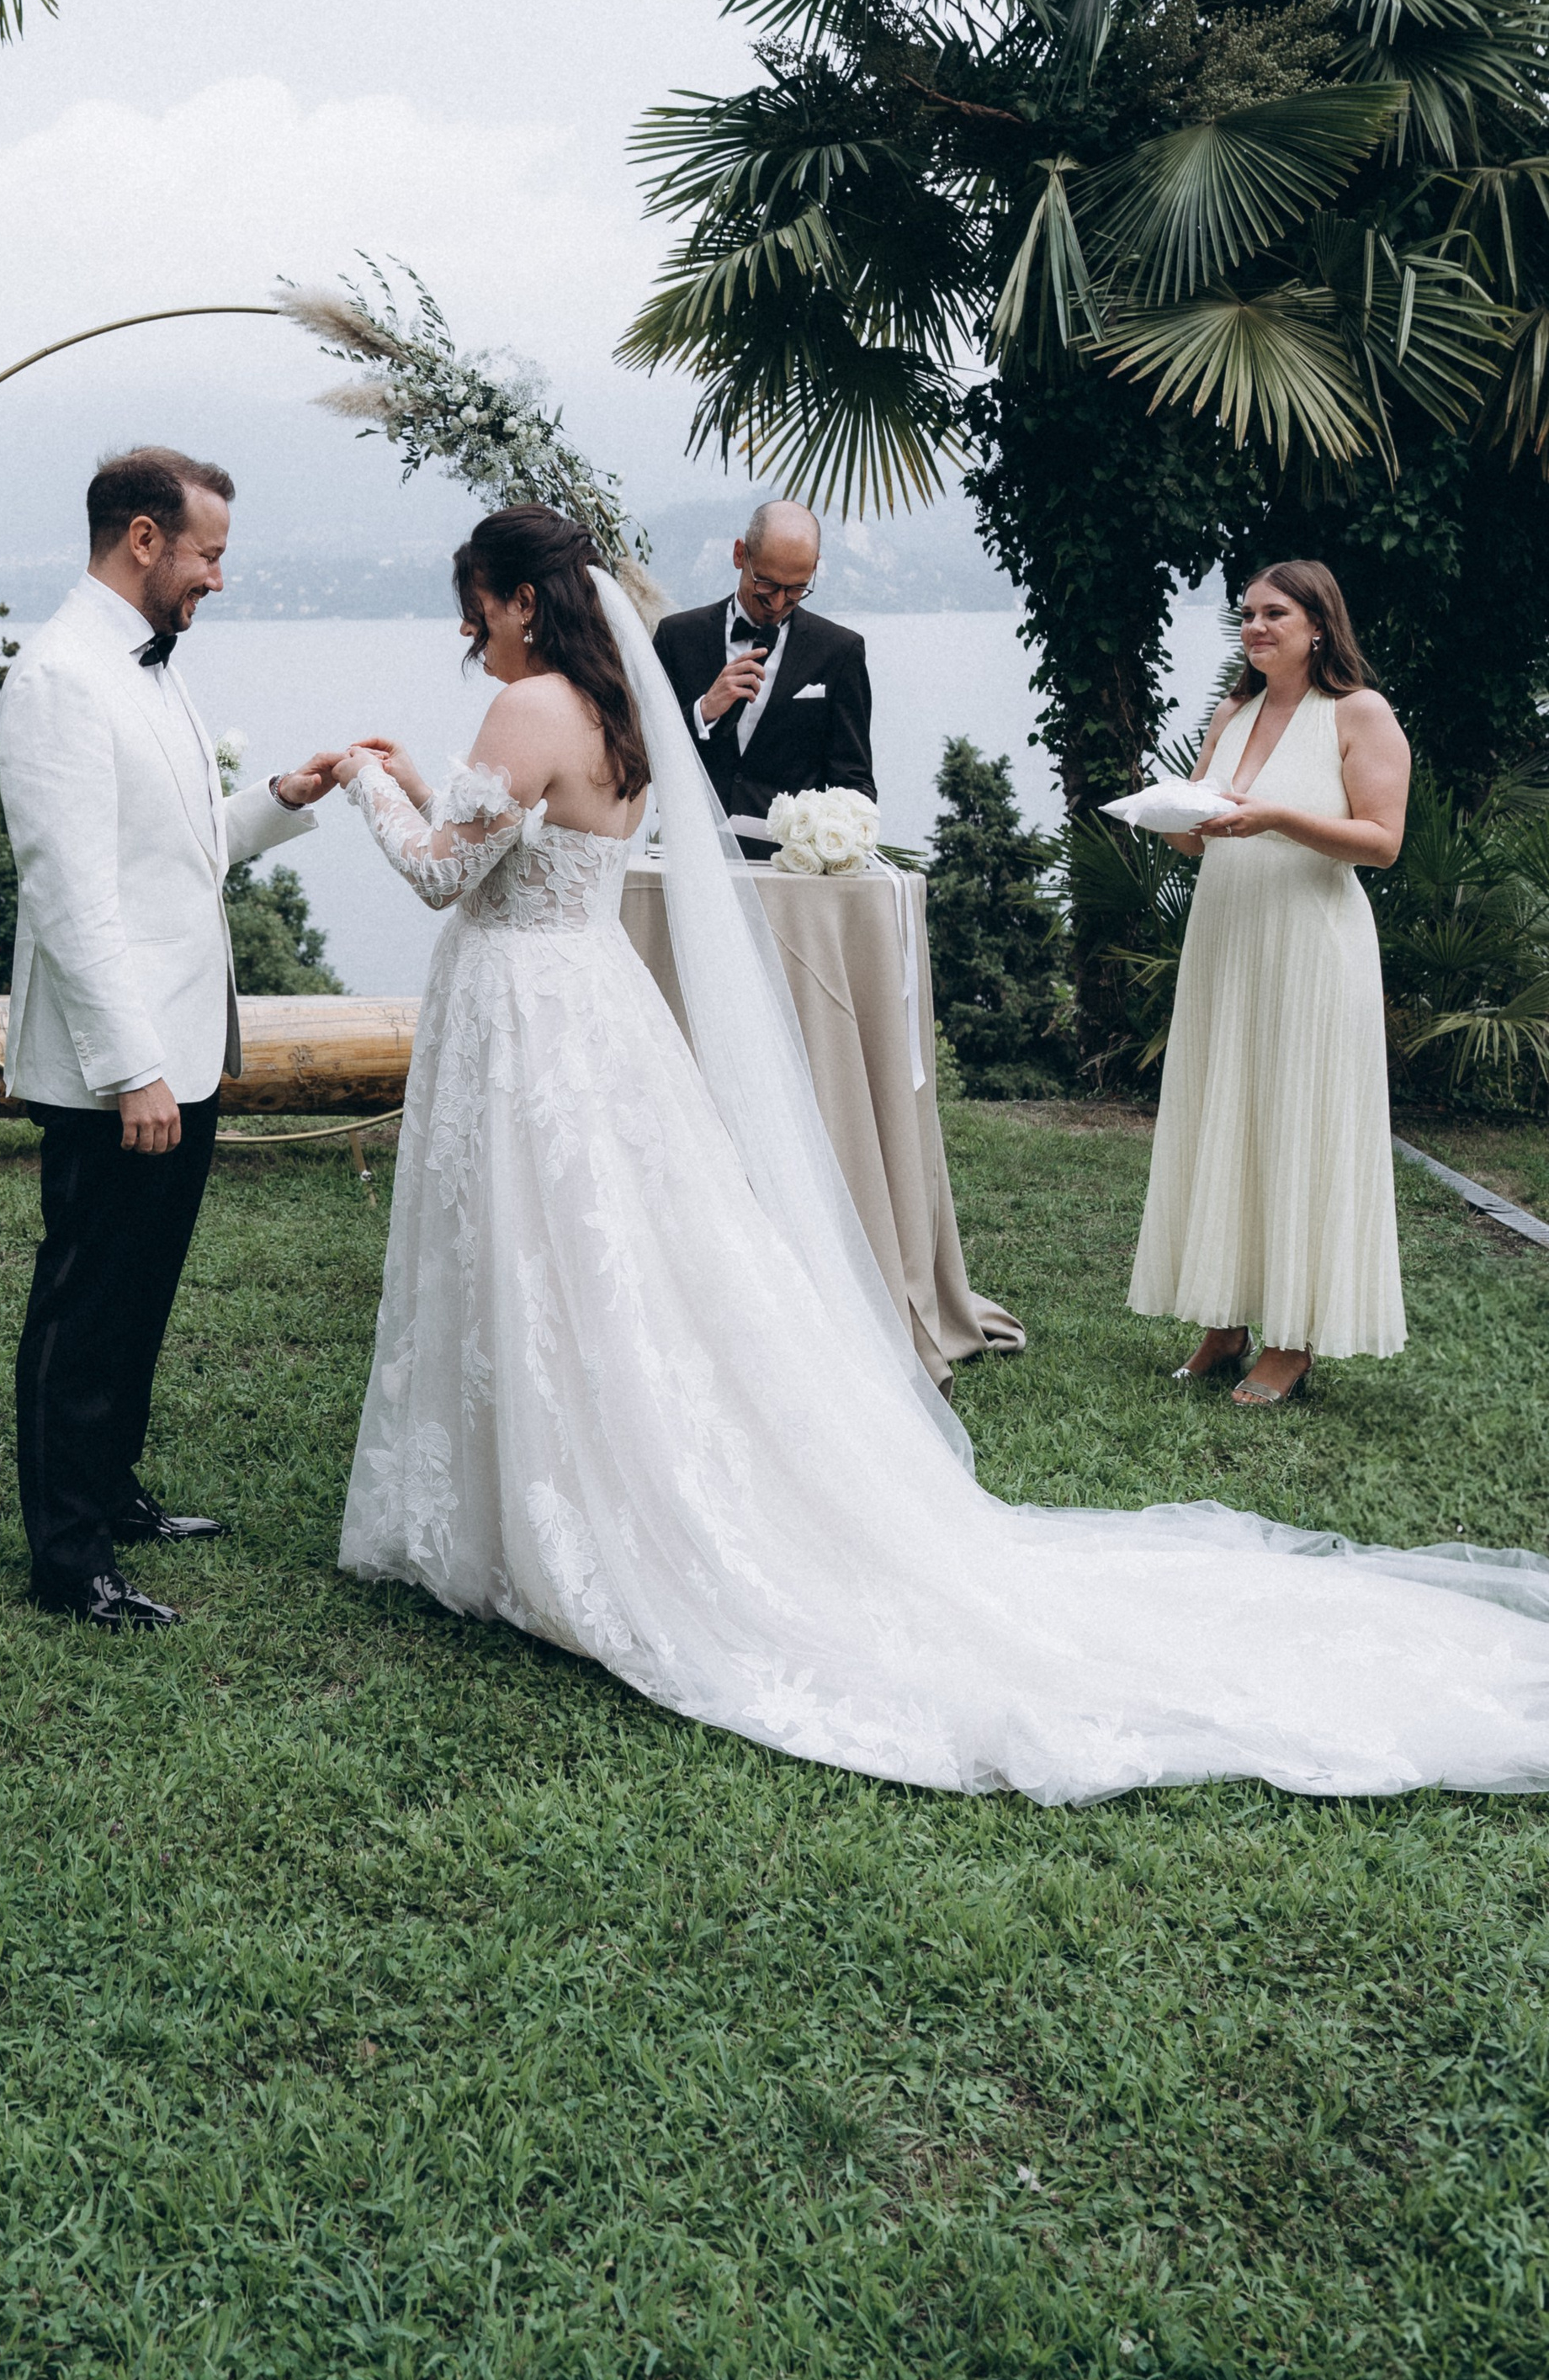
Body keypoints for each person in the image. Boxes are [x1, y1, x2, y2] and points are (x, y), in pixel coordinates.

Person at [328, 504, 1549, 1804]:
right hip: (591, 1013)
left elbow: (440, 879)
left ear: (518, 597)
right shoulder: (628, 703)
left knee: (547, 1244)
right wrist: (413, 781)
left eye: (476, 600)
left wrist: (358, 781)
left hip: (530, 1015)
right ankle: (555, 1483)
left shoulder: (528, 710)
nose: (470, 625)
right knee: (603, 1249)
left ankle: (552, 1505)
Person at [0, 446, 342, 1630]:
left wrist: (282, 800)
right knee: (87, 1302)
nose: (218, 580)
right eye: (208, 555)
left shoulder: (148, 668)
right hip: (124, 1065)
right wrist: (131, 1068)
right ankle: (70, 1558)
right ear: (143, 540)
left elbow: (182, 852)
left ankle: (115, 1491)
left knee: (140, 1295)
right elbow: (72, 893)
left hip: (181, 1049)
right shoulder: (60, 677)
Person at [1131, 562, 1411, 1407]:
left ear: (1318, 624)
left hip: (1309, 948)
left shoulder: (1358, 714)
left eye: (1273, 613)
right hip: (1226, 939)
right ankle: (1224, 1323)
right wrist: (1170, 817)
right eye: (1246, 614)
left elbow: (1381, 842)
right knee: (1228, 1115)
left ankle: (1291, 1341)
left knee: (1296, 1122)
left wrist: (1277, 816)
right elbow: (1205, 837)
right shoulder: (1232, 712)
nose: (1253, 626)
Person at [650, 498, 872, 853]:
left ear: (814, 569)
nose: (779, 602)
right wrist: (704, 710)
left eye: (797, 588)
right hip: (692, 856)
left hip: (790, 867)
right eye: (766, 584)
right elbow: (638, 753)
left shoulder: (839, 652)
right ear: (740, 554)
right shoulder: (676, 637)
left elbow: (854, 783)